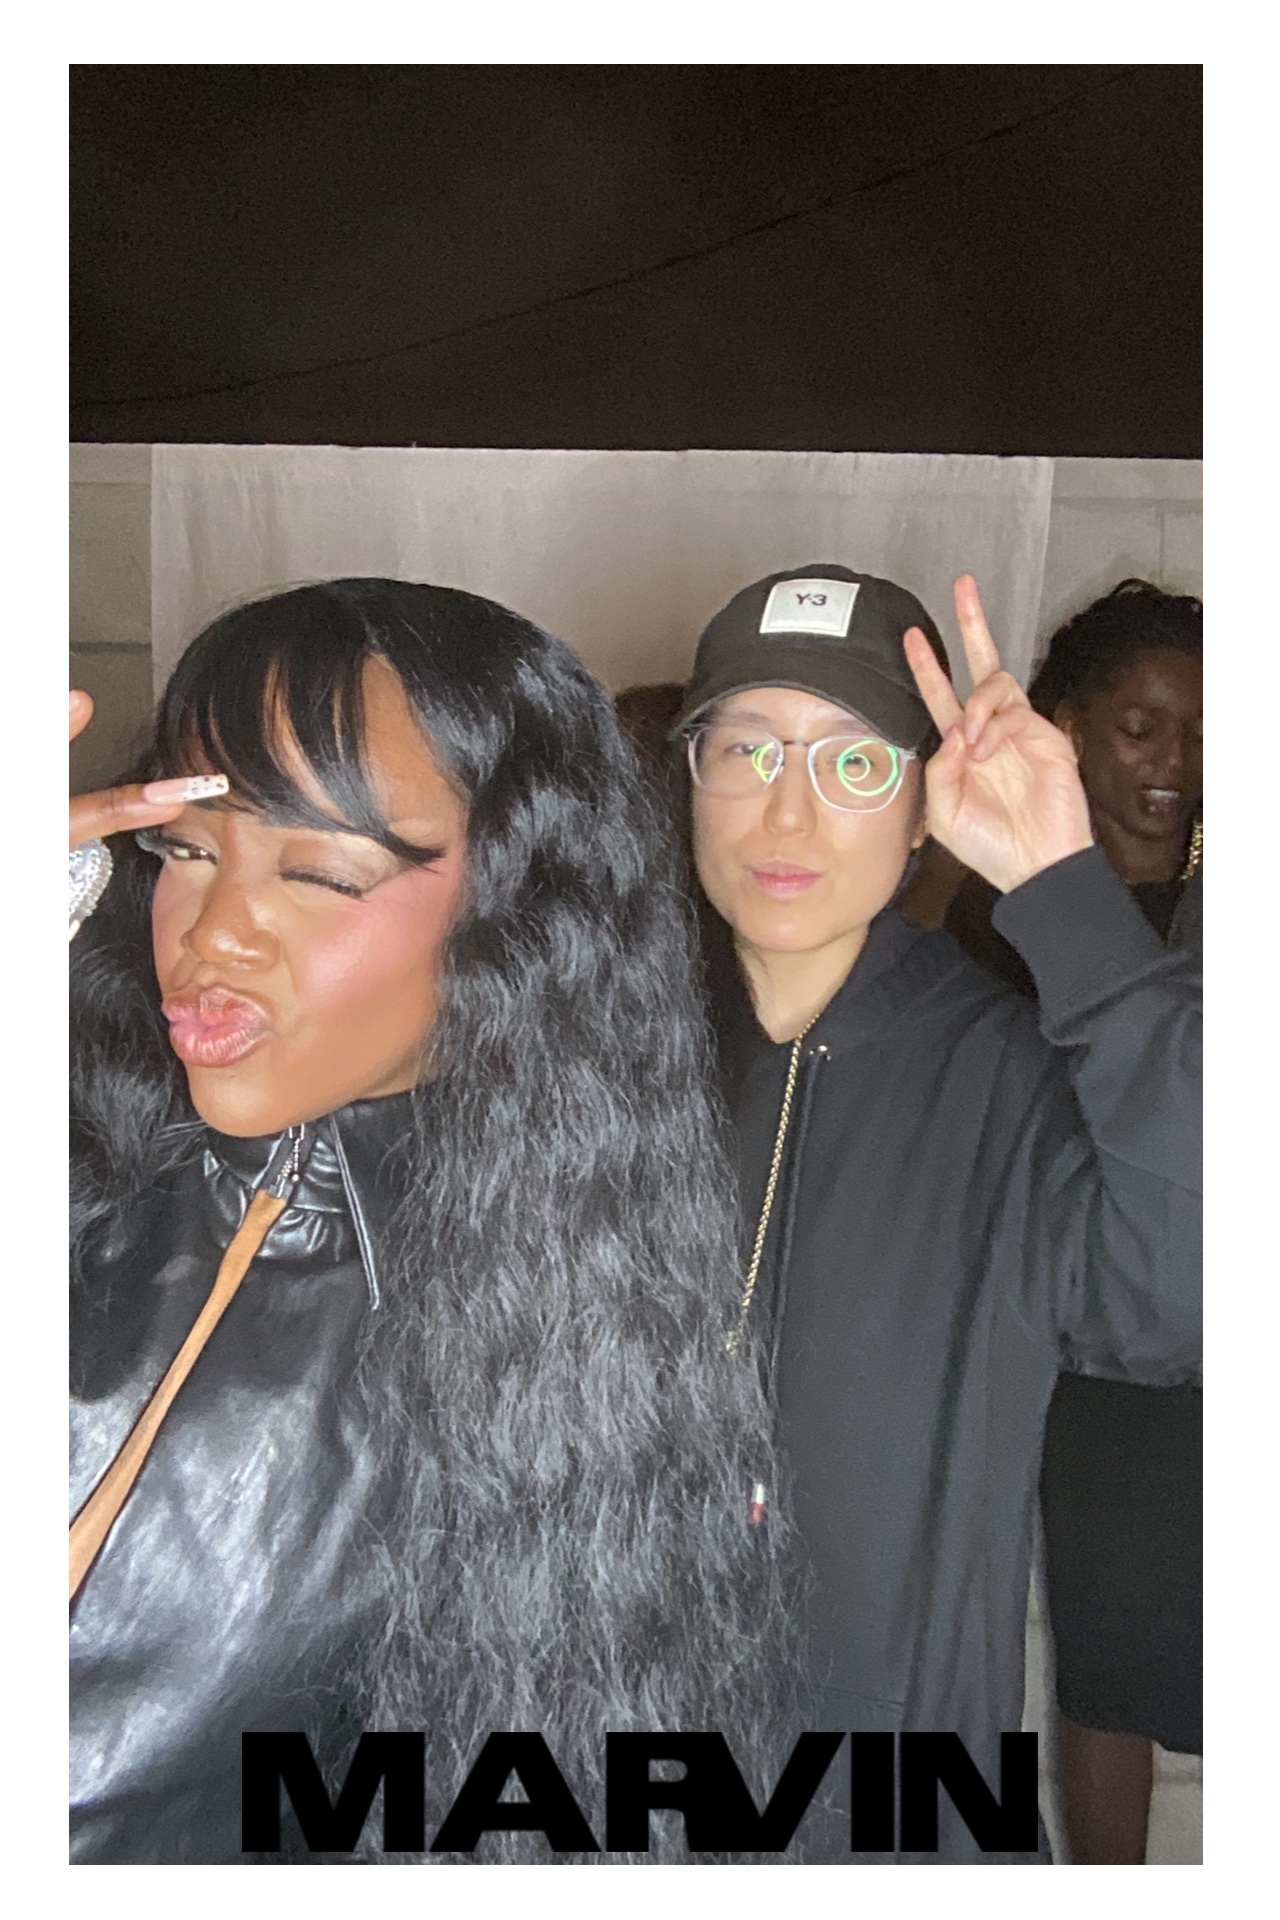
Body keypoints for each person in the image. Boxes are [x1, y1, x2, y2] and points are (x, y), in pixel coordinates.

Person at [69, 577, 798, 1865]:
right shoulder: (81, 1159)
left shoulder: (542, 1358)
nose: (214, 934)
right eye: (183, 850)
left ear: (509, 922)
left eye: (319, 871)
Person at [672, 563, 1200, 1864]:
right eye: (746, 750)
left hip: (898, 1818)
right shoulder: (606, 1058)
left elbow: (1192, 1294)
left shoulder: (1006, 1079)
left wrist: (1062, 888)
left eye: (854, 764)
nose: (787, 809)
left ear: (925, 805)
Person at [944, 580, 1202, 1863]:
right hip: (1084, 1336)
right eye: (1141, 728)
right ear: (1067, 727)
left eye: (1202, 734)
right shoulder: (989, 912)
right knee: (1105, 1652)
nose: (1174, 765)